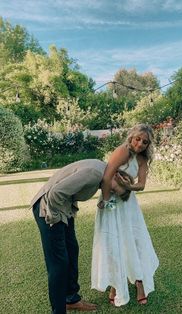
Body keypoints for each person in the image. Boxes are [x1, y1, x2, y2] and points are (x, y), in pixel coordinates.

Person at [30, 159, 131, 314]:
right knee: (58, 262)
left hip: (64, 210)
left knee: (72, 251)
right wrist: (55, 220)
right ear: (117, 176)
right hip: (48, 210)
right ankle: (59, 310)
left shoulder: (104, 174)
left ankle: (71, 299)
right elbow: (56, 193)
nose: (112, 193)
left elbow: (103, 203)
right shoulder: (95, 173)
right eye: (115, 190)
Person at [91, 124, 159, 307]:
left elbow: (141, 185)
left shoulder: (143, 158)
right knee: (114, 241)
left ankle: (139, 283)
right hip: (111, 201)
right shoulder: (122, 151)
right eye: (138, 139)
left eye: (145, 142)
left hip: (129, 204)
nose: (140, 144)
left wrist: (128, 187)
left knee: (135, 240)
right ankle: (116, 285)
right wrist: (107, 203)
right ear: (131, 137)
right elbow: (106, 178)